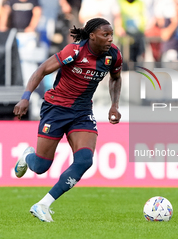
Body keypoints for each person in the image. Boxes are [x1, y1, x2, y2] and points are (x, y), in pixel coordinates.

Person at [13, 17, 123, 222]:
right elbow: (42, 70)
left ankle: (43, 204)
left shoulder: (114, 55)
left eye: (111, 35)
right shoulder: (74, 51)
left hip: (82, 112)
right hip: (56, 109)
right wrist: (25, 98)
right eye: (105, 35)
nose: (110, 39)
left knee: (84, 160)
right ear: (92, 36)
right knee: (40, 167)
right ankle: (28, 157)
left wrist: (114, 105)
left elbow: (116, 79)